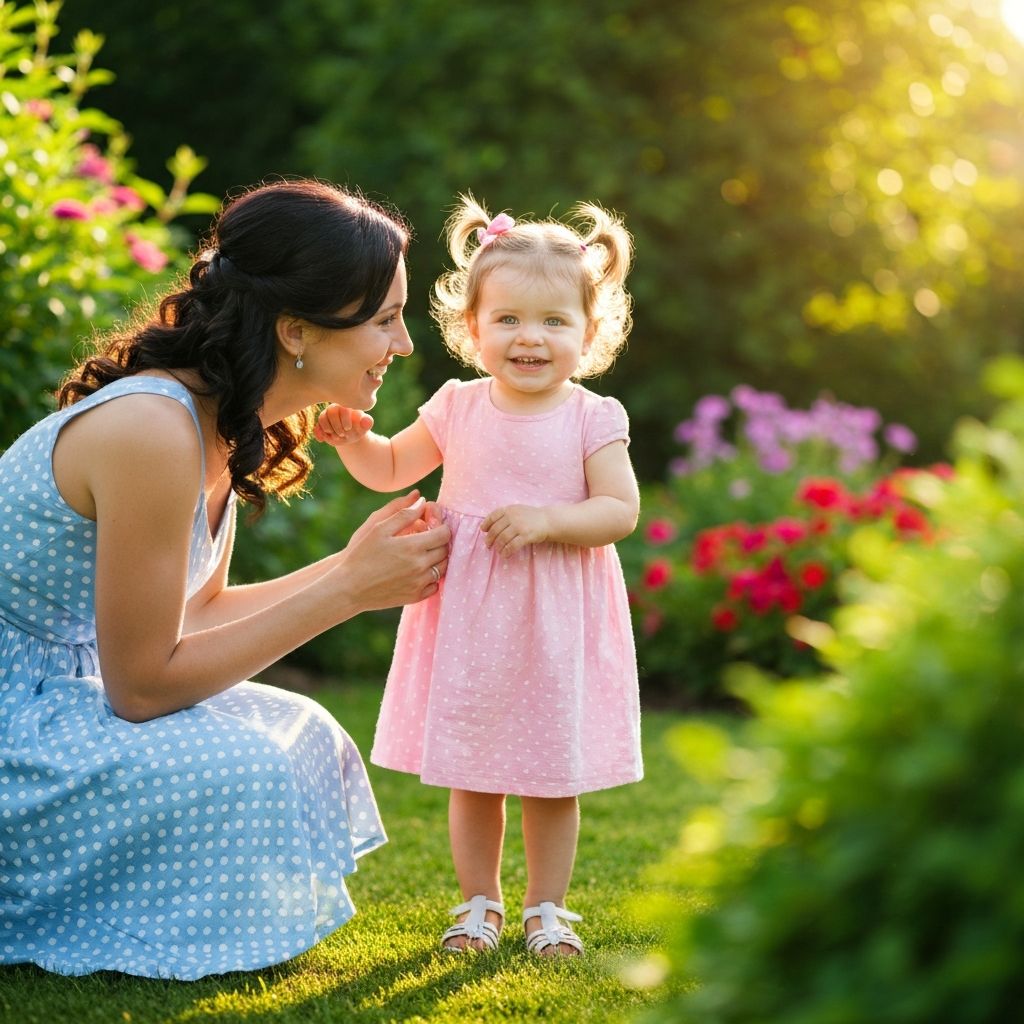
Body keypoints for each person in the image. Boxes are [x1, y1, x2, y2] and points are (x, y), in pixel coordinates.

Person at [0, 178, 452, 979]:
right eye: (385, 319)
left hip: (60, 691)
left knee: (304, 729)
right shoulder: (152, 428)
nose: (405, 344)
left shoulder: (227, 423)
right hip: (17, 716)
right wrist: (347, 590)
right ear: (296, 330)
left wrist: (353, 568)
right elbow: (142, 688)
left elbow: (198, 611)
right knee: (249, 763)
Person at [314, 194, 643, 957]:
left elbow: (619, 510)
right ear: (473, 327)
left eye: (554, 321)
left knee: (550, 777)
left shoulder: (592, 417)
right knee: (474, 771)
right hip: (471, 620)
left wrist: (549, 520)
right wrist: (354, 442)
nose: (530, 337)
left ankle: (546, 908)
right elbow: (392, 467)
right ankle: (478, 904)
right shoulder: (458, 406)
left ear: (589, 331)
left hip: (553, 621)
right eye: (509, 319)